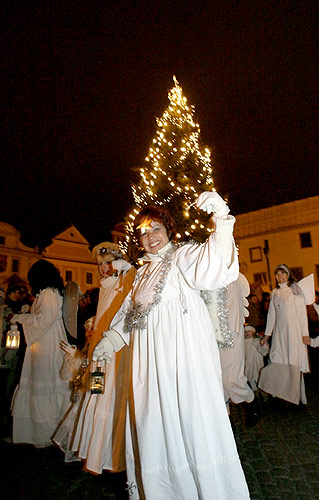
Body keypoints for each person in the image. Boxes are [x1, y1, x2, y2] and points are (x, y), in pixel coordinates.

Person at [93, 192, 250, 500]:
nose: (149, 236)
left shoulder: (183, 257)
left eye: (155, 228)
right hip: (150, 371)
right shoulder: (141, 275)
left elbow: (217, 264)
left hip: (184, 365)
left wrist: (221, 217)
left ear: (168, 229)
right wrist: (110, 340)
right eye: (143, 232)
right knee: (157, 429)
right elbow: (129, 315)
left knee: (192, 428)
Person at [67, 242, 136, 476]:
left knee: (109, 394)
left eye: (108, 263)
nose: (103, 269)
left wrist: (126, 270)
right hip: (99, 351)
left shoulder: (124, 281)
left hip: (115, 352)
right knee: (97, 391)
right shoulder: (105, 286)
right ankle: (94, 451)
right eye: (100, 265)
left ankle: (109, 453)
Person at [10, 260, 72, 447]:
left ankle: (48, 434)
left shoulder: (48, 294)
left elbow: (44, 320)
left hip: (48, 343)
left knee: (48, 381)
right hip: (45, 341)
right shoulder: (49, 293)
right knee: (43, 382)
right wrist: (26, 313)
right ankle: (37, 432)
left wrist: (22, 319)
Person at [258, 264, 310, 405]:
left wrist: (305, 334)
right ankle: (280, 393)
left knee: (293, 360)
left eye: (283, 273)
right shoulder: (274, 293)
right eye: (277, 274)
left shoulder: (295, 290)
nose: (280, 277)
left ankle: (295, 396)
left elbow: (301, 314)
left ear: (288, 275)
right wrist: (267, 335)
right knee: (278, 359)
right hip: (280, 334)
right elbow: (272, 315)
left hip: (293, 333)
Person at [244, 325, 269, 392]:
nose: (247, 333)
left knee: (258, 377)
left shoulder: (256, 341)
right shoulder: (243, 343)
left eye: (249, 331)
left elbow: (263, 350)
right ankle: (255, 392)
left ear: (253, 332)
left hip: (256, 363)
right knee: (250, 377)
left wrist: (263, 345)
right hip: (247, 364)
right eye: (245, 331)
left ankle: (262, 392)